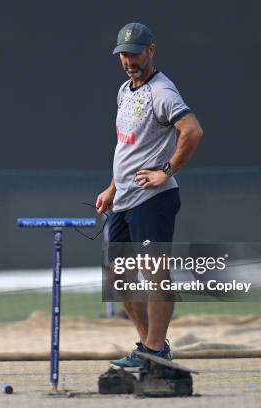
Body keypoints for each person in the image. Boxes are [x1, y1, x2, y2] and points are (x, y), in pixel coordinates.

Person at [95, 22, 203, 367]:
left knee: (155, 274)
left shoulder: (162, 92)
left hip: (153, 201)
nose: (129, 60)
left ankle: (155, 350)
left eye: (135, 53)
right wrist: (113, 187)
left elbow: (192, 130)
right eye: (124, 54)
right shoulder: (125, 90)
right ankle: (147, 346)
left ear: (151, 51)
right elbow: (127, 145)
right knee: (117, 276)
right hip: (124, 199)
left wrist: (165, 171)